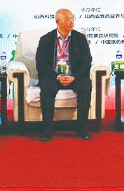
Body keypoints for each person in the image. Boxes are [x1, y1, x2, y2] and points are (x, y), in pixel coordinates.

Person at [35, 8, 93, 141]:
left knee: (85, 86)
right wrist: (57, 76)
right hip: (54, 76)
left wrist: (74, 76)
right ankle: (47, 130)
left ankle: (82, 129)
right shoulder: (46, 39)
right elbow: (41, 64)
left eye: (72, 18)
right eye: (67, 19)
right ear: (58, 22)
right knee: (47, 87)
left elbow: (87, 61)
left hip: (74, 76)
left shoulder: (80, 38)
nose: (71, 21)